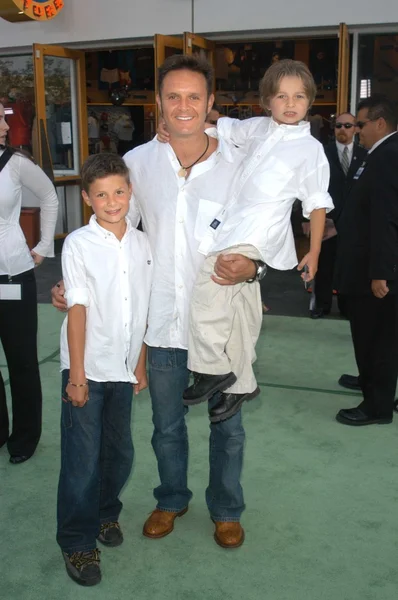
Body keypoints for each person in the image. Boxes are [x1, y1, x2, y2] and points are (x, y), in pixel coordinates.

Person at [52, 55, 256, 550]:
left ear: (210, 103)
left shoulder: (240, 164)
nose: (183, 106)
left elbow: (263, 233)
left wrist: (255, 267)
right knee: (166, 426)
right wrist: (75, 280)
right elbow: (117, 227)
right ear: (159, 105)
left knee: (227, 426)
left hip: (220, 320)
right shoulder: (140, 162)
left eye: (193, 97)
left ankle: (226, 508)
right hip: (161, 321)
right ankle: (171, 499)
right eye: (172, 97)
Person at [178, 59, 333, 421]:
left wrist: (314, 254)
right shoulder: (257, 128)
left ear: (310, 101)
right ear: (267, 101)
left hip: (258, 234)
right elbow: (220, 128)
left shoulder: (310, 151)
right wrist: (187, 126)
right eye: (281, 96)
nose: (290, 103)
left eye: (299, 96)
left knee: (207, 287)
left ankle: (211, 366)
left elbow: (317, 206)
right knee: (240, 309)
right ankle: (241, 384)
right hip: (230, 227)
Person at [57, 153, 152, 586]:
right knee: (82, 460)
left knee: (119, 452)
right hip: (87, 366)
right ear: (87, 199)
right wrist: (77, 375)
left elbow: (144, 308)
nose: (111, 201)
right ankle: (77, 542)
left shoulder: (142, 243)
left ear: (130, 191)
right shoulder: (78, 243)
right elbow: (77, 310)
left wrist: (141, 363)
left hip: (123, 367)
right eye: (101, 195)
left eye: (118, 191)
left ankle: (104, 515)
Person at [0, 101, 58, 465]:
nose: (6, 126)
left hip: (12, 275)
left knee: (21, 361)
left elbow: (50, 196)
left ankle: (25, 436)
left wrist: (43, 246)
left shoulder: (15, 162)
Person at [334, 95, 398, 426]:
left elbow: (387, 219)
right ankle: (370, 382)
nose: (357, 131)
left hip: (374, 270)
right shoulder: (377, 155)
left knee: (377, 340)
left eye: (360, 124)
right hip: (362, 264)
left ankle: (377, 405)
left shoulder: (388, 156)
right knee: (371, 336)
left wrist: (381, 272)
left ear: (380, 123)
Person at [307, 112, 368, 319]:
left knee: (349, 264)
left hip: (354, 222)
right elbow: (310, 187)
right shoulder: (322, 154)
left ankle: (346, 305)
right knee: (324, 262)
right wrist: (307, 220)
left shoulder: (365, 155)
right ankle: (321, 305)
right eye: (338, 126)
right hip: (327, 220)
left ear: (356, 129)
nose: (342, 129)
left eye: (348, 126)